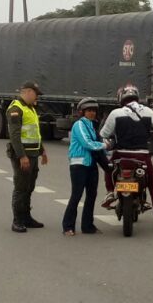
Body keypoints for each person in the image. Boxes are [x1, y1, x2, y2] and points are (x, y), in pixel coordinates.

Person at [100, 85, 153, 230]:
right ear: (137, 97)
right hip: (142, 156)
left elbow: (103, 134)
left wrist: (109, 142)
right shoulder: (148, 111)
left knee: (108, 168)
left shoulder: (115, 113)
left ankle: (109, 193)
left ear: (121, 98)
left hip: (121, 155)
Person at [7, 81, 49, 233]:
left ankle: (26, 217)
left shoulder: (30, 108)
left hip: (33, 154)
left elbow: (35, 133)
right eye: (36, 94)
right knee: (21, 187)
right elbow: (15, 135)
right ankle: (17, 220)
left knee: (29, 187)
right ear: (28, 92)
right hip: (22, 156)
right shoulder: (16, 108)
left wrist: (42, 151)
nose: (37, 97)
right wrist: (21, 156)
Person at [62, 98, 106, 236]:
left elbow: (99, 143)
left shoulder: (93, 126)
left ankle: (88, 226)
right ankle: (68, 226)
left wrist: (109, 149)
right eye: (89, 110)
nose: (92, 113)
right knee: (76, 195)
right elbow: (87, 143)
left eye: (94, 110)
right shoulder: (79, 125)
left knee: (92, 195)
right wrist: (105, 145)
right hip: (79, 165)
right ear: (82, 112)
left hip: (91, 164)